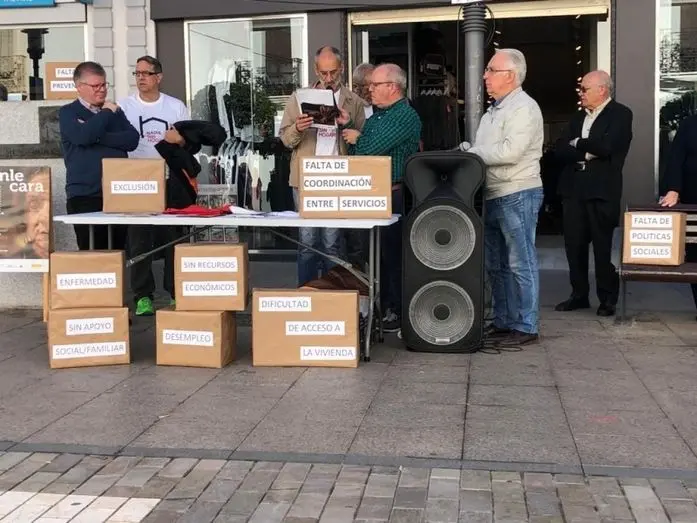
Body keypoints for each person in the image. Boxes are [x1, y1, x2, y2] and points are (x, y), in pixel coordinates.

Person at [457, 49, 544, 346]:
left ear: (510, 75)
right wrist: (471, 150)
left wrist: (473, 152)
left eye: (491, 70)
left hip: (518, 191)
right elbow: (486, 150)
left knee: (520, 262)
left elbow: (510, 152)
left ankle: (526, 325)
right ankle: (505, 320)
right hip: (493, 192)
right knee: (496, 264)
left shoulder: (524, 108)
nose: (485, 76)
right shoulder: (493, 111)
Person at [342, 63, 422, 333]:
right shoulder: (378, 116)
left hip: (393, 194)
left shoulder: (404, 116)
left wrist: (357, 137)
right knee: (373, 255)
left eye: (375, 85)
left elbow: (367, 149)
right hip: (372, 194)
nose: (369, 90)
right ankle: (383, 306)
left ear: (393, 87)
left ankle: (396, 310)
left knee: (391, 255)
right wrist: (352, 129)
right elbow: (358, 154)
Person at [279, 46, 366, 286]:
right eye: (323, 73)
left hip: (337, 178)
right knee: (307, 242)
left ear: (342, 68)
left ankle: (333, 296)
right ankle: (307, 294)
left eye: (333, 72)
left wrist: (348, 125)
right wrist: (298, 128)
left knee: (332, 243)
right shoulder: (299, 98)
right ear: (316, 70)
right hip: (306, 178)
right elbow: (285, 139)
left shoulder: (354, 102)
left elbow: (364, 142)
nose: (328, 78)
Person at [554, 70, 633, 317]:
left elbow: (607, 147)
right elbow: (559, 149)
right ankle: (579, 294)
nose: (581, 93)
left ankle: (607, 298)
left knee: (602, 246)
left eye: (585, 89)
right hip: (573, 189)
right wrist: (588, 151)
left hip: (601, 190)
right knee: (574, 245)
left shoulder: (620, 114)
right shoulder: (578, 117)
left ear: (602, 89)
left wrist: (578, 143)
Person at [118, 55, 189, 316]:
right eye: (137, 73)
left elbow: (188, 143)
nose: (141, 78)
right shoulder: (124, 107)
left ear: (158, 77)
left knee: (174, 238)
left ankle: (175, 292)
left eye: (146, 73)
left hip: (171, 179)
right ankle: (143, 296)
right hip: (137, 180)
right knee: (139, 240)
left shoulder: (175, 106)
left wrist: (178, 140)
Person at [58, 61, 139, 251]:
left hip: (117, 193)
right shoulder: (69, 112)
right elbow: (81, 137)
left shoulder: (116, 112)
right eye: (96, 86)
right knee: (92, 254)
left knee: (118, 253)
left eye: (104, 84)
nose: (102, 90)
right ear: (79, 87)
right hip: (85, 194)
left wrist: (97, 136)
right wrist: (105, 112)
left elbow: (132, 140)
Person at [658, 113, 697, 315]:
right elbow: (676, 158)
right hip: (693, 198)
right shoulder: (690, 124)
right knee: (695, 254)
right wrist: (673, 189)